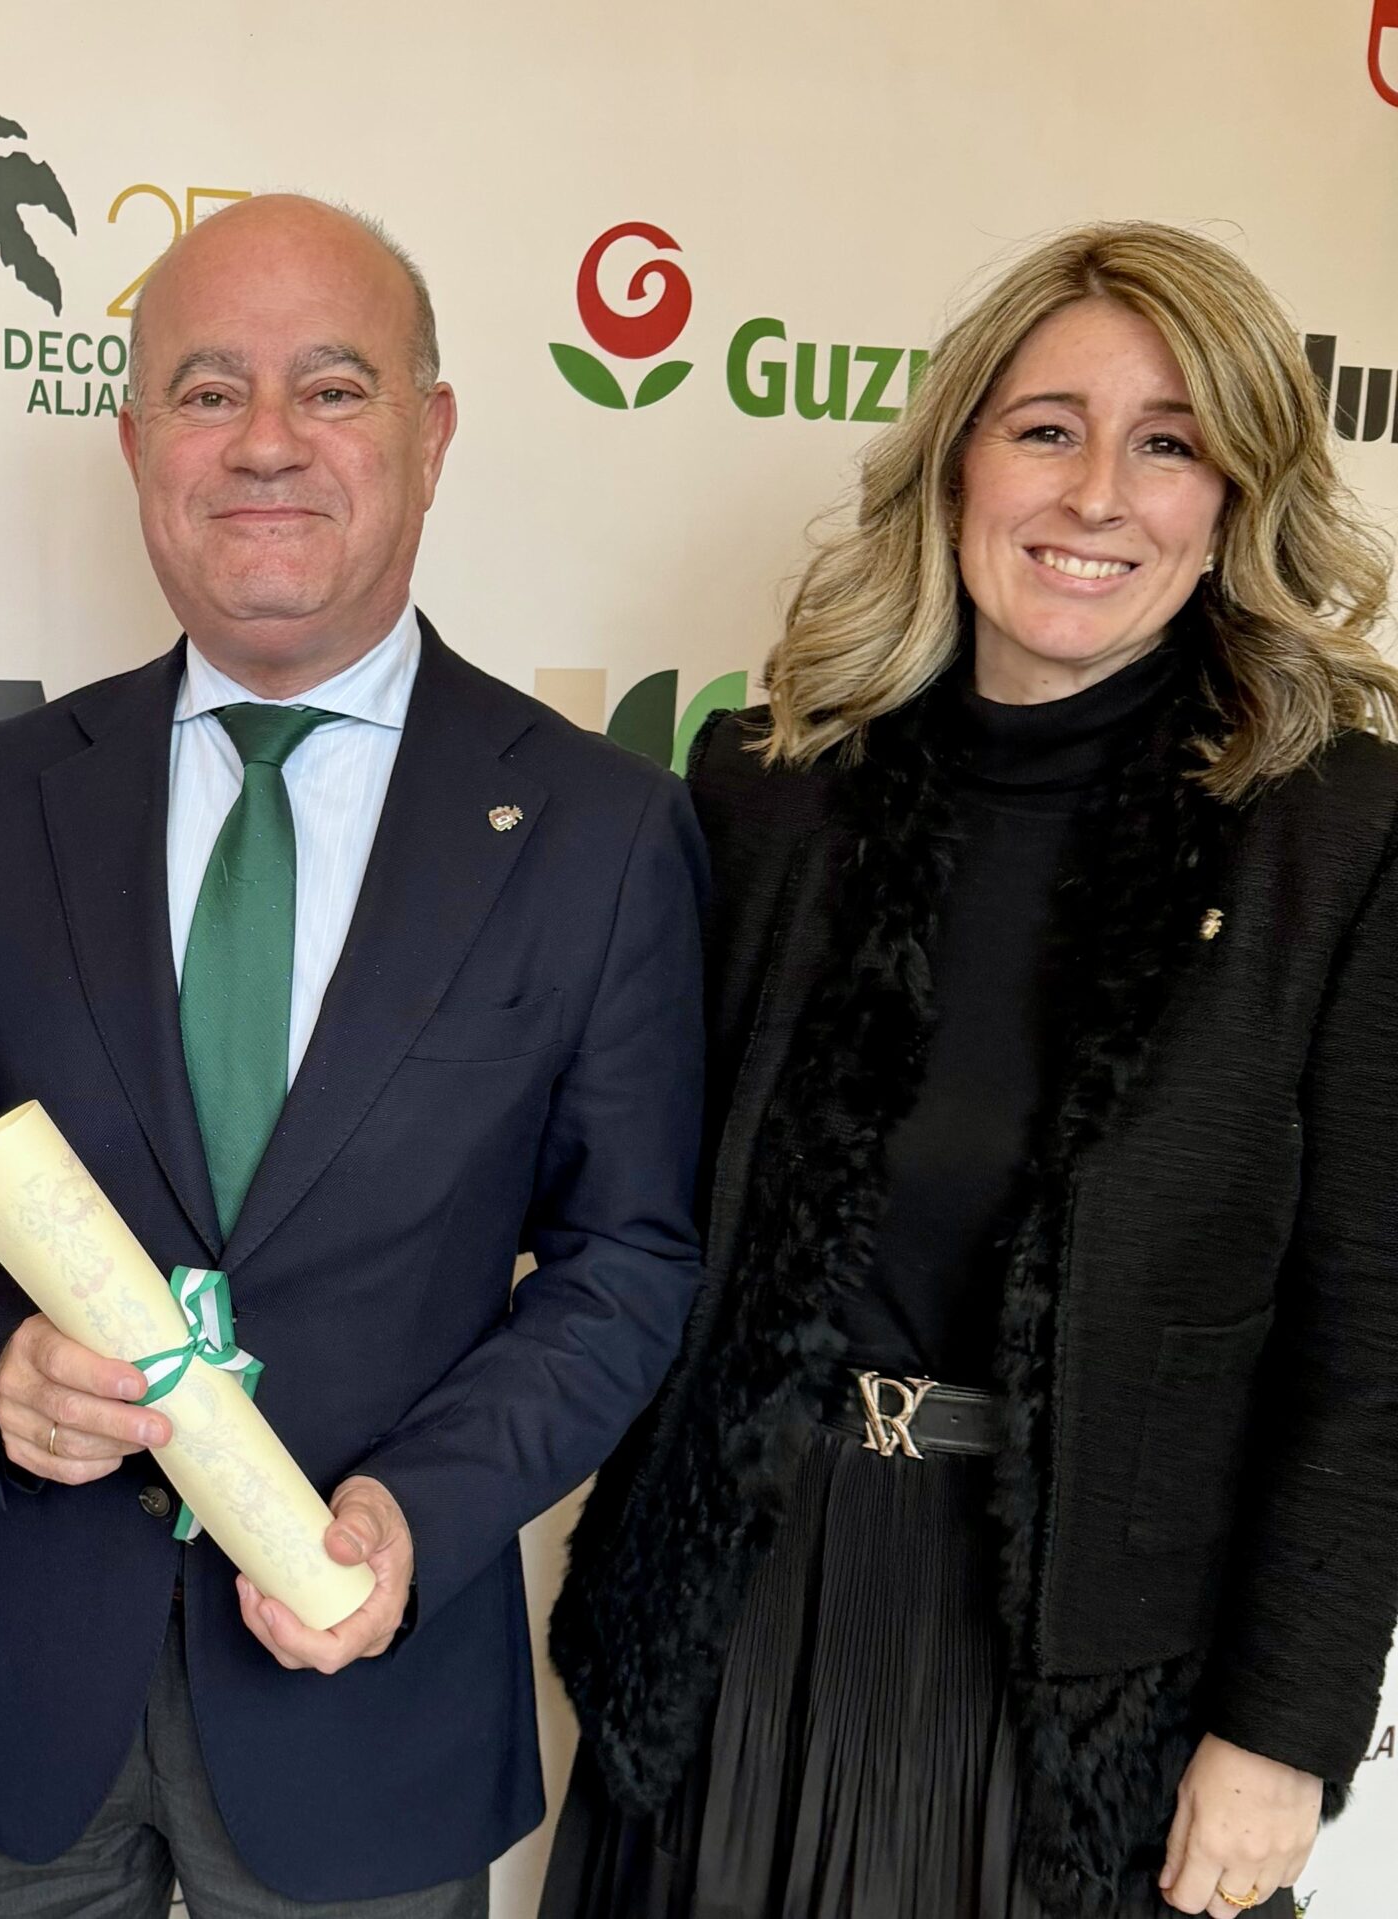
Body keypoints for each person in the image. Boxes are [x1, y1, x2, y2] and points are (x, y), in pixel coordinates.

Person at [0, 194, 707, 1914]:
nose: (267, 443)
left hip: (363, 1696)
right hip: (26, 1703)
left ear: (432, 435)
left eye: (334, 388)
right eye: (209, 390)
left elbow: (628, 1264)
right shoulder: (7, 794)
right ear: (136, 442)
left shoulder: (599, 831)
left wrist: (417, 1517)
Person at [546, 222, 1398, 1919]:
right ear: (956, 467)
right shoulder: (769, 790)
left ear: (1234, 503)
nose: (1097, 495)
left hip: (1095, 1678)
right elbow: (618, 1210)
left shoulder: (1335, 836)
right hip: (739, 1615)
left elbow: (1372, 1336)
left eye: (1170, 445)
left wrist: (1281, 1733)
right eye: (1046, 428)